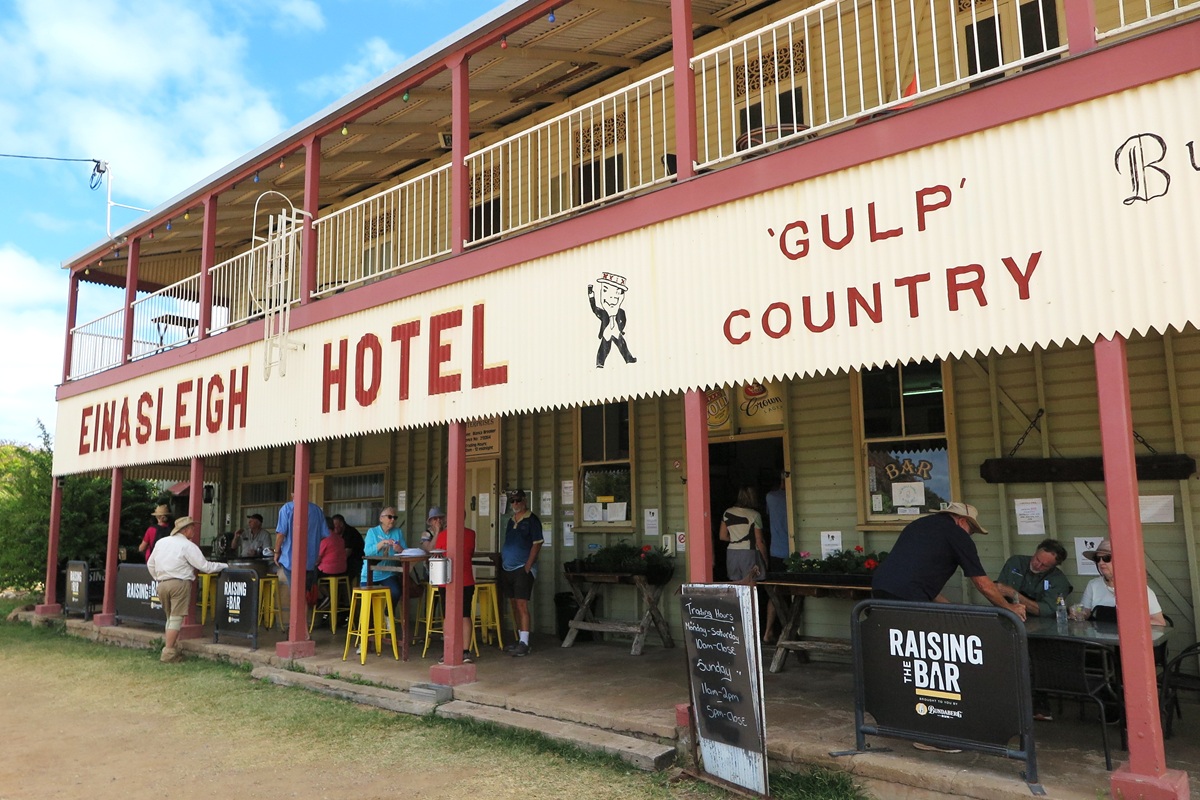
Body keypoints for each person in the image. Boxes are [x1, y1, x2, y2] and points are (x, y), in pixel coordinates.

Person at [870, 502, 1027, 621]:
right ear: (961, 521)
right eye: (971, 530)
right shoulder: (958, 534)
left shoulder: (919, 525)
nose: (970, 535)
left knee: (888, 639)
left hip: (879, 587)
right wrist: (1009, 608)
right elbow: (983, 584)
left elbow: (919, 579)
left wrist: (952, 608)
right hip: (908, 598)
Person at [146, 516, 227, 663]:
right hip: (179, 583)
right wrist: (225, 565)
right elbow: (205, 566)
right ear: (185, 530)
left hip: (162, 583)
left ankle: (173, 647)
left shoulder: (161, 542)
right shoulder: (188, 546)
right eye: (192, 528)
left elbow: (150, 564)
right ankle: (168, 652)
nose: (194, 531)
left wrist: (158, 578)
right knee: (176, 618)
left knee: (170, 618)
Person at [1079, 539, 1167, 626]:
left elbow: (1159, 622)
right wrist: (1077, 613)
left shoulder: (1139, 589)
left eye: (1106, 558)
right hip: (1098, 635)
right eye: (1097, 559)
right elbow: (1085, 613)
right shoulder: (1093, 585)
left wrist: (1130, 622)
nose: (1101, 562)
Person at [501, 490, 543, 657]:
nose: (515, 503)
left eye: (518, 500)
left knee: (521, 605)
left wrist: (528, 566)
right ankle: (520, 639)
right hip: (508, 568)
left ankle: (525, 643)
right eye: (512, 501)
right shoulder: (511, 521)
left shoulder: (532, 520)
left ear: (524, 500)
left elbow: (537, 543)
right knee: (514, 605)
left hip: (522, 568)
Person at [273, 494, 327, 624]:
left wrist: (276, 552)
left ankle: (299, 628)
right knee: (303, 594)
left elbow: (281, 534)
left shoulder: (287, 508)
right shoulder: (317, 510)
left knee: (298, 596)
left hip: (291, 559)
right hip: (310, 560)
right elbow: (324, 534)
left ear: (293, 495)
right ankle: (302, 627)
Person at [433, 514, 477, 664]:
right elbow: (470, 552)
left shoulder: (443, 535)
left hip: (447, 580)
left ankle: (449, 650)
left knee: (449, 616)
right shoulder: (471, 534)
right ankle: (465, 651)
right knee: (465, 614)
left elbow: (438, 553)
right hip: (465, 579)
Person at [995, 538, 1072, 616]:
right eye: (1037, 559)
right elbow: (997, 591)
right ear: (1036, 551)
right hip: (1009, 616)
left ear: (1053, 567)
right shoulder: (1016, 562)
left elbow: (1047, 610)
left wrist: (1013, 594)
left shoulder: (1059, 581)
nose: (1037, 565)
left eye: (1044, 565)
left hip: (1041, 621)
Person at [719, 487, 767, 584]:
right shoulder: (755, 515)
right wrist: (765, 560)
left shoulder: (727, 512)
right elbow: (759, 541)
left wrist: (735, 538)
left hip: (732, 553)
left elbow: (722, 536)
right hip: (749, 553)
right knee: (751, 585)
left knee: (736, 586)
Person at [362, 507, 406, 609]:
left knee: (396, 592)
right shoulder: (372, 532)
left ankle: (387, 614)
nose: (393, 520)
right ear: (381, 518)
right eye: (390, 517)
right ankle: (371, 619)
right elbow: (367, 552)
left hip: (388, 573)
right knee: (368, 600)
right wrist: (382, 543)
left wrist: (399, 549)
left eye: (395, 517)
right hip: (370, 573)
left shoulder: (398, 532)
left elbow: (406, 552)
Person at [763, 475, 789, 643]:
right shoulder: (791, 496)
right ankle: (789, 633)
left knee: (775, 593)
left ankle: (768, 632)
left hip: (776, 551)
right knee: (792, 594)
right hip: (793, 552)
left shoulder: (770, 497)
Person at [315, 516, 348, 609]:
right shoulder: (340, 539)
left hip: (328, 570)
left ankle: (325, 596)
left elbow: (317, 560)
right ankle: (331, 599)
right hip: (342, 570)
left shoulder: (325, 539)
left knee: (309, 575)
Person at [333, 514, 365, 586]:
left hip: (356, 561)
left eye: (335, 526)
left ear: (341, 524)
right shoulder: (338, 534)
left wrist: (335, 559)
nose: (333, 528)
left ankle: (345, 592)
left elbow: (347, 553)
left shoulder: (350, 533)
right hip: (347, 561)